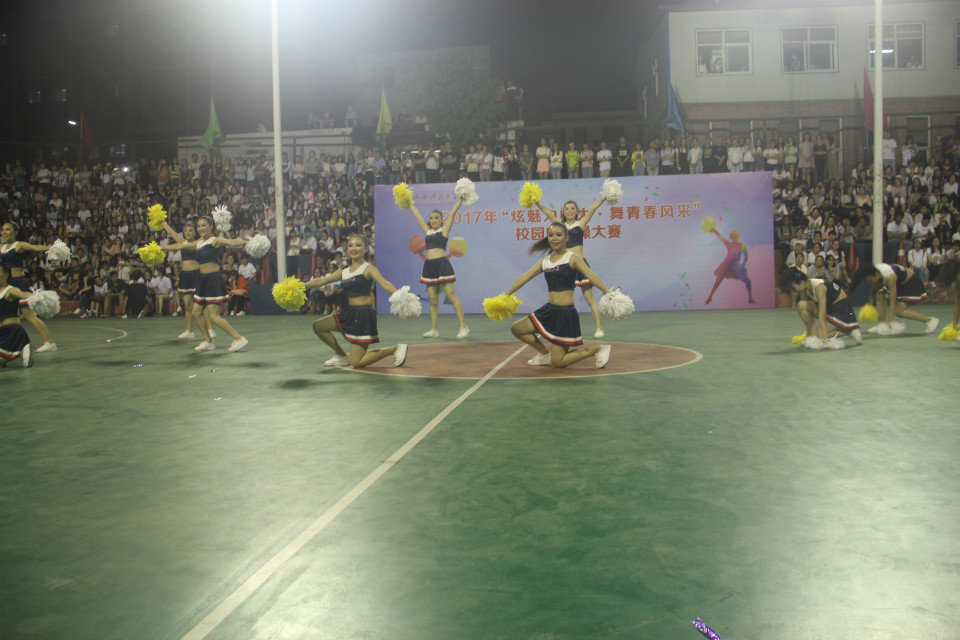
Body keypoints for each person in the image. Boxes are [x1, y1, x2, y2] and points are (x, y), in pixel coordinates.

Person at [504, 222, 611, 369]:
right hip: (549, 311)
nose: (554, 238)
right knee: (517, 329)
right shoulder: (545, 261)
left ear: (566, 238)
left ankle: (597, 350)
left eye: (559, 235)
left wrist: (607, 292)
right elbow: (524, 277)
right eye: (551, 235)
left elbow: (591, 275)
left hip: (565, 315)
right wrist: (506, 295)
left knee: (558, 362)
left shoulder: (572, 258)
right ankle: (544, 354)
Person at [303, 234, 407, 368]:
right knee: (319, 326)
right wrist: (300, 286)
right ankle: (341, 356)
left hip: (362, 316)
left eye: (358, 245)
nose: (353, 248)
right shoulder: (344, 270)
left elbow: (384, 283)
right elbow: (323, 280)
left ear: (365, 249)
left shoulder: (368, 268)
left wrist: (400, 296)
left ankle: (394, 349)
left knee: (357, 362)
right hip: (348, 313)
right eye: (350, 245)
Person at [163, 215, 249, 352]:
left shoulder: (215, 240)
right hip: (201, 280)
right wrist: (159, 248)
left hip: (213, 280)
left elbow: (232, 242)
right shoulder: (198, 243)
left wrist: (249, 242)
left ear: (211, 227)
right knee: (196, 312)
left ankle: (239, 338)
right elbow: (179, 245)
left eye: (204, 225)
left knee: (213, 316)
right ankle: (208, 341)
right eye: (199, 226)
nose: (201, 228)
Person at [535, 194, 608, 338]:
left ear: (577, 211)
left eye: (572, 208)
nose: (569, 211)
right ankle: (546, 329)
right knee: (557, 300)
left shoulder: (580, 224)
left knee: (589, 298)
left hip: (581, 265)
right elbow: (547, 212)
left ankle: (599, 328)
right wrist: (536, 201)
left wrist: (605, 196)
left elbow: (593, 208)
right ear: (563, 211)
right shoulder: (560, 226)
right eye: (567, 209)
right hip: (565, 266)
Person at [407, 197, 469, 339]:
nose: (433, 220)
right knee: (433, 300)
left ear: (441, 220)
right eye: (431, 218)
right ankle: (434, 329)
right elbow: (417, 215)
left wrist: (460, 199)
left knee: (452, 297)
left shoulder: (444, 230)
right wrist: (409, 202)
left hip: (442, 265)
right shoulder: (427, 231)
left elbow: (452, 213)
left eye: (436, 218)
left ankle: (463, 327)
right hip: (429, 267)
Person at [0, 222, 57, 352]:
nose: (4, 232)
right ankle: (15, 343)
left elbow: (35, 247)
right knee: (9, 316)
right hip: (5, 286)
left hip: (18, 283)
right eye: (2, 230)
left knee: (28, 315)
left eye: (8, 229)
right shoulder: (1, 247)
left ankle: (49, 342)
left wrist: (51, 248)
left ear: (15, 232)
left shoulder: (19, 245)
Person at [780, 268, 862, 345]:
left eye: (793, 288)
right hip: (830, 310)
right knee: (801, 305)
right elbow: (809, 313)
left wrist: (824, 340)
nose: (793, 291)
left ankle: (849, 330)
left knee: (818, 337)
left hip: (842, 311)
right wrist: (810, 335)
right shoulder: (805, 289)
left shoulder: (819, 288)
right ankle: (813, 334)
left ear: (801, 282)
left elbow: (821, 315)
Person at [849, 263, 939, 334]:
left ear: (875, 275)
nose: (869, 282)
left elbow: (893, 301)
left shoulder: (890, 276)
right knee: (880, 294)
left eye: (869, 280)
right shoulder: (875, 271)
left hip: (911, 282)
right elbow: (874, 290)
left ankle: (930, 320)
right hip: (900, 282)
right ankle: (881, 325)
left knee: (898, 311)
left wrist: (890, 321)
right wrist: (870, 305)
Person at [162, 220, 210, 340]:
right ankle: (190, 330)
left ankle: (210, 329)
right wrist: (162, 222)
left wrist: (161, 248)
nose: (188, 233)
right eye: (186, 231)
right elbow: (172, 232)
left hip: (196, 275)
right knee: (187, 305)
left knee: (202, 305)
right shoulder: (182, 242)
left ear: (195, 232)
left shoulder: (199, 242)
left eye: (190, 231)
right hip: (184, 276)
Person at [704, 223, 756, 305]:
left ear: (735, 236)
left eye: (735, 235)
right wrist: (715, 231)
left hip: (732, 266)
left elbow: (746, 257)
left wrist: (742, 266)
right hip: (729, 265)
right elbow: (746, 257)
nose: (734, 237)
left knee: (746, 281)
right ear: (735, 236)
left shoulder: (737, 245)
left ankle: (750, 298)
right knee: (719, 280)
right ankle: (710, 297)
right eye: (734, 235)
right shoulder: (735, 245)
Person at [0, 264, 35, 367]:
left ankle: (22, 347)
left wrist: (37, 296)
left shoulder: (11, 290)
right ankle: (19, 350)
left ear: (6, 275)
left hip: (12, 332)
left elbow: (23, 294)